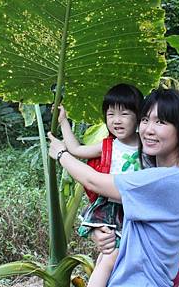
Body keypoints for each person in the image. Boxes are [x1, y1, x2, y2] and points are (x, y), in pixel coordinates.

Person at [48, 88, 179, 286]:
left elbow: (94, 181)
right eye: (145, 120)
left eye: (160, 122)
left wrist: (61, 154)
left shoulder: (168, 180)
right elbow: (135, 228)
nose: (148, 129)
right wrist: (100, 232)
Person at [57, 83, 144, 287]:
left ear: (139, 116)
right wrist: (63, 123)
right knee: (109, 257)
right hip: (113, 208)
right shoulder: (109, 145)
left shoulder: (147, 144)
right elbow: (76, 149)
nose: (116, 120)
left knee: (116, 259)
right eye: (110, 114)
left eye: (124, 113)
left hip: (137, 208)